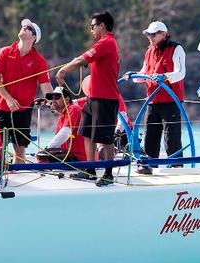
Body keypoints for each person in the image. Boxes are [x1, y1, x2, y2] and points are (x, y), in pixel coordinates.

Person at [55, 11, 120, 187]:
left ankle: (108, 173)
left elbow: (80, 59)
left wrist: (63, 71)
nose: (91, 30)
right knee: (86, 133)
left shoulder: (107, 42)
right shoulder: (101, 43)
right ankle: (90, 170)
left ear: (102, 26)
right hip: (93, 98)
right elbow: (85, 59)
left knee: (105, 138)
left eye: (92, 26)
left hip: (105, 99)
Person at [127, 21, 186, 175]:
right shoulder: (149, 51)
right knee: (150, 136)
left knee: (171, 137)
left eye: (153, 34)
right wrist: (133, 75)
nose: (150, 37)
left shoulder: (176, 48)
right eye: (148, 35)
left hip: (171, 101)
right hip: (153, 101)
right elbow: (144, 72)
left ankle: (177, 168)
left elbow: (181, 73)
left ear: (163, 34)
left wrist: (164, 76)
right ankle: (149, 168)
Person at [0, 18, 53, 164]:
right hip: (2, 107)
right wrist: (8, 98)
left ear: (34, 37)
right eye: (23, 26)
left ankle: (19, 174)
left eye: (29, 28)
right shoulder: (4, 52)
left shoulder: (39, 60)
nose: (24, 28)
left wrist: (55, 102)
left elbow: (45, 86)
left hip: (24, 108)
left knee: (20, 148)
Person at [37, 86, 87, 163]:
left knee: (42, 157)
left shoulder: (73, 109)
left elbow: (65, 133)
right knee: (41, 156)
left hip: (79, 157)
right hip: (69, 154)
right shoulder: (62, 116)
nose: (53, 100)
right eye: (52, 98)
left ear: (67, 99)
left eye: (57, 97)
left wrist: (47, 149)